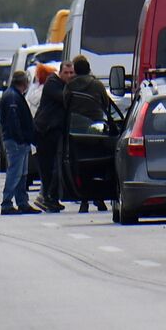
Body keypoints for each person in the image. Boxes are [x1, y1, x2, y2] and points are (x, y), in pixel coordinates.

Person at [64, 55, 110, 213]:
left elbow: (65, 105)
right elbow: (106, 103)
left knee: (80, 167)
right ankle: (100, 198)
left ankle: (84, 200)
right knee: (98, 165)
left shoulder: (70, 87)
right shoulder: (97, 85)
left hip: (75, 131)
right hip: (96, 131)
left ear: (75, 70)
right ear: (89, 68)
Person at [0, 69, 41, 215]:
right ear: (24, 82)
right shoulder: (13, 98)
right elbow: (13, 121)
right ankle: (7, 203)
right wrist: (21, 138)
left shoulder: (13, 95)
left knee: (22, 173)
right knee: (15, 173)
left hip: (18, 141)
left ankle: (22, 202)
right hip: (16, 142)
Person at [32, 61, 71, 212]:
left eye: (71, 73)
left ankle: (51, 198)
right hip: (45, 131)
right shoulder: (53, 84)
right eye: (66, 73)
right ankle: (46, 197)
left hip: (54, 131)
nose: (69, 76)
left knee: (55, 166)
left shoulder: (62, 85)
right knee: (49, 168)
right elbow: (65, 98)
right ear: (60, 73)